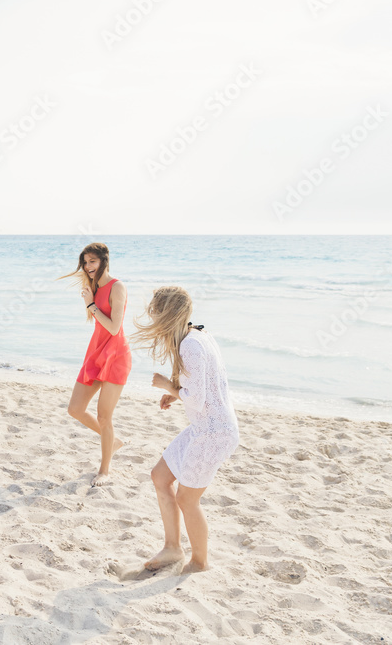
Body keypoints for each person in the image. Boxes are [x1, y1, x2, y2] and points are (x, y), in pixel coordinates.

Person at [131, 286, 239, 574]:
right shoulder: (197, 334)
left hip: (214, 432)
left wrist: (168, 385)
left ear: (166, 314)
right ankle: (172, 548)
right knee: (160, 476)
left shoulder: (191, 344)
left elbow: (198, 398)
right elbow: (202, 387)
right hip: (204, 427)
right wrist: (177, 392)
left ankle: (199, 562)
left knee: (187, 498)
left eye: (155, 312)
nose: (153, 318)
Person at [62, 242, 131, 485]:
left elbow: (113, 327)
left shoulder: (117, 287)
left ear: (104, 261)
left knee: (104, 417)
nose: (88, 266)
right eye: (85, 262)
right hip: (95, 353)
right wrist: (90, 301)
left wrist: (91, 305)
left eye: (93, 261)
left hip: (116, 356)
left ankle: (104, 471)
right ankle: (113, 441)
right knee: (75, 409)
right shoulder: (91, 287)